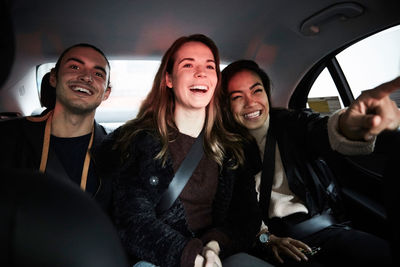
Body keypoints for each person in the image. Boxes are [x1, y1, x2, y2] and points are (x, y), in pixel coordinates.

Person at [93, 34, 273, 267]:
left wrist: (214, 245)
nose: (201, 73)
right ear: (169, 79)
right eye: (188, 65)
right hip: (159, 257)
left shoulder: (233, 148)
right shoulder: (138, 141)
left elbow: (246, 218)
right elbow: (133, 220)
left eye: (209, 66)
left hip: (218, 256)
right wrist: (190, 257)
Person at [220, 59, 398, 266]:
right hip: (278, 246)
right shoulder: (227, 150)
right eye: (237, 97)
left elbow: (321, 130)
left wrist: (348, 125)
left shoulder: (292, 123)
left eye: (256, 91)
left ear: (267, 94)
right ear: (226, 106)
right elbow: (237, 215)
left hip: (329, 231)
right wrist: (267, 240)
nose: (250, 103)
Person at [0, 43, 113, 214]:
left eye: (98, 73)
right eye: (75, 66)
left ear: (106, 93)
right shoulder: (8, 137)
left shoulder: (117, 151)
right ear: (53, 77)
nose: (86, 77)